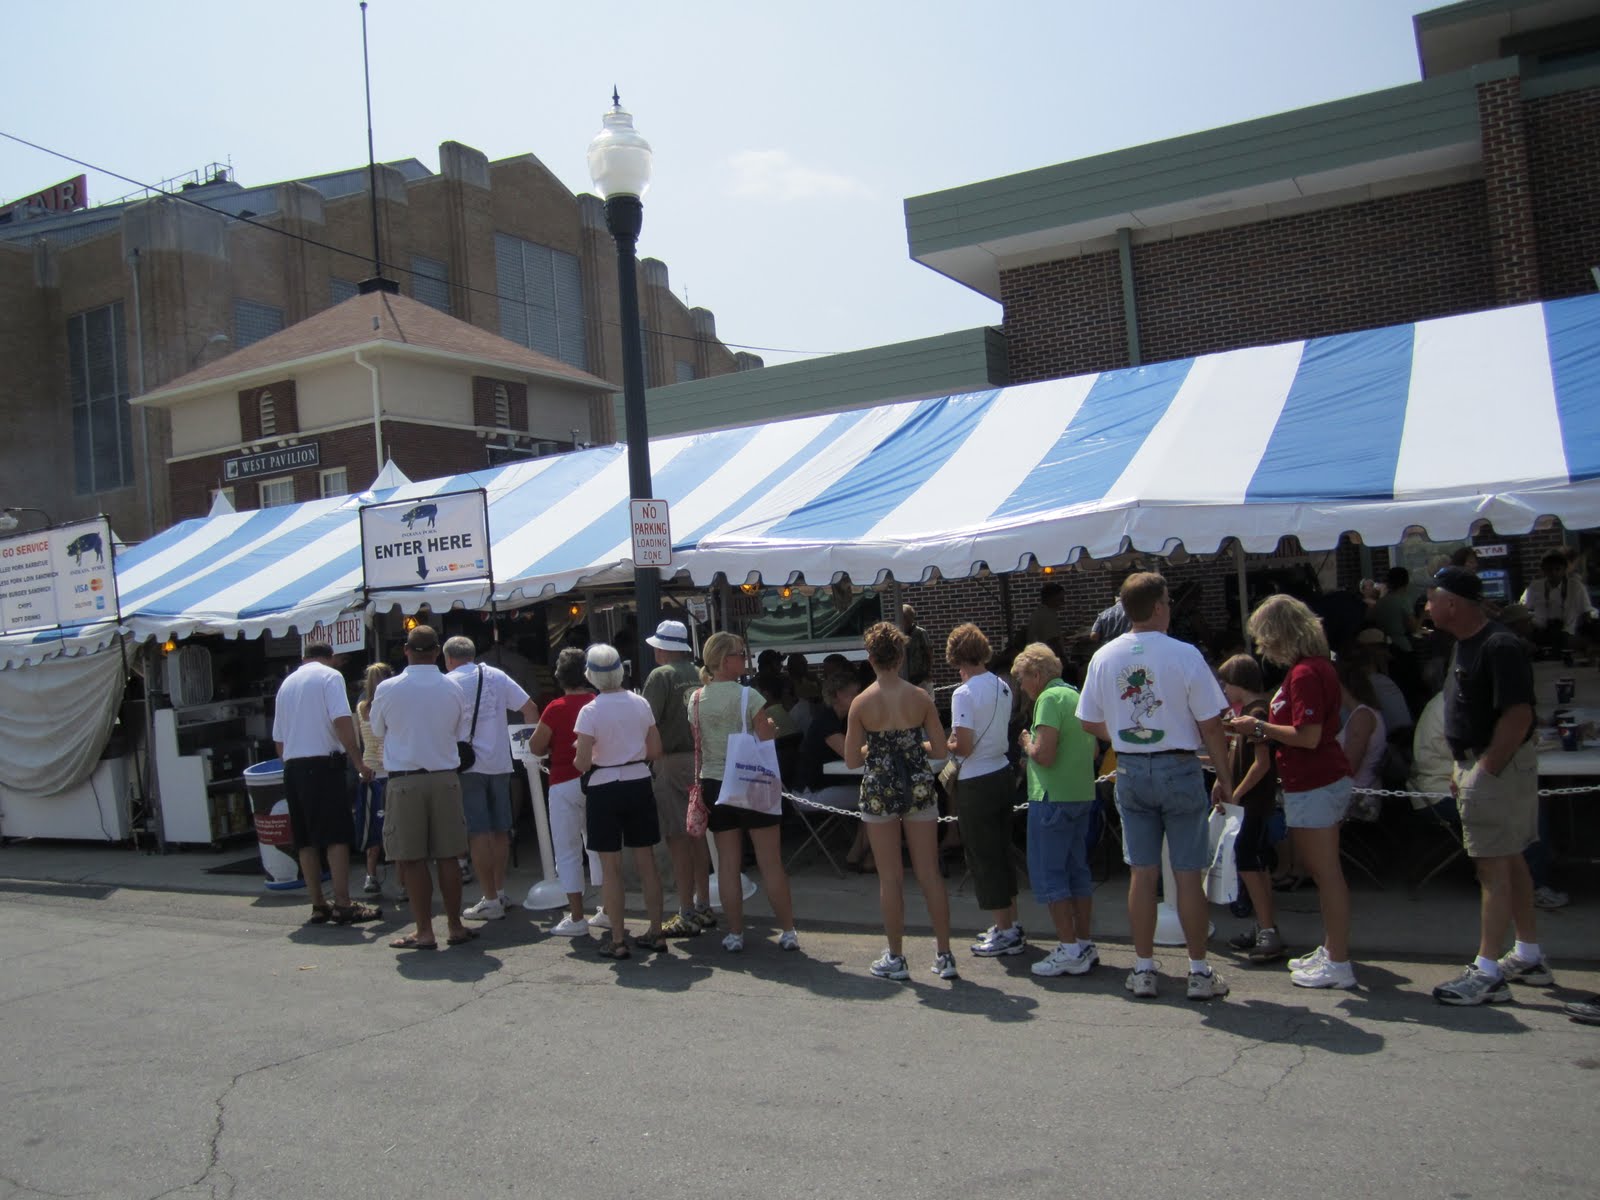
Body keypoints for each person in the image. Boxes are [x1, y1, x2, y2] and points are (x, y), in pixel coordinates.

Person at [1077, 572, 1234, 1001]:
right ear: (1161, 606)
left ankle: (1144, 967)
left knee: (1142, 874)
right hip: (1179, 765)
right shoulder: (1185, 654)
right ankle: (1198, 970)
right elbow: (1212, 725)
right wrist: (1224, 776)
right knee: (1187, 874)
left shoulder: (1105, 656)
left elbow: (1088, 719)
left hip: (1130, 767)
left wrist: (1125, 734)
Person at [1425, 566, 1557, 1005]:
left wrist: (1484, 769)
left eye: (1432, 599)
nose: (1426, 607)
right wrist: (1461, 766)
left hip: (1495, 768)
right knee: (1510, 859)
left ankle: (1487, 971)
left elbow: (1518, 714)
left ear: (1452, 604)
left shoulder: (1499, 644)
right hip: (1477, 764)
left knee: (1492, 868)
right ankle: (1529, 953)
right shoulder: (1466, 644)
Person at [1230, 594, 1357, 989]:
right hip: (1313, 781)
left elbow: (1308, 736)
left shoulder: (1305, 673)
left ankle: (1338, 960)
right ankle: (1331, 948)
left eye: (1265, 638)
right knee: (1323, 872)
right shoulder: (1314, 668)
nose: (1263, 648)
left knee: (1326, 873)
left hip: (1315, 780)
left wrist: (1257, 729)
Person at [844, 621, 956, 981]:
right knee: (929, 874)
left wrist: (877, 748)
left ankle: (896, 956)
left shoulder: (861, 703)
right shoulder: (920, 697)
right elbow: (941, 749)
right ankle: (944, 954)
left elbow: (851, 760)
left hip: (879, 789)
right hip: (919, 787)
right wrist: (912, 746)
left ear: (870, 658)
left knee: (889, 877)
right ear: (902, 655)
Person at [369, 624, 475, 950]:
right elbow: (461, 731)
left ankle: (424, 930)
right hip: (444, 775)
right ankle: (455, 926)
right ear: (436, 652)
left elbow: (376, 729)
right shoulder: (452, 687)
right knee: (449, 856)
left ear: (406, 650)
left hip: (405, 779)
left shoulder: (388, 688)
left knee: (412, 858)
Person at [693, 631, 800, 953]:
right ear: (726, 660)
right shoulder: (748, 696)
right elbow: (766, 736)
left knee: (727, 862)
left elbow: (698, 739)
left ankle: (735, 932)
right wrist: (770, 729)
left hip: (713, 781)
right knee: (770, 860)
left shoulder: (696, 698)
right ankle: (788, 929)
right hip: (750, 778)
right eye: (741, 654)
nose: (745, 659)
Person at [272, 643, 380, 927]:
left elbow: (279, 740)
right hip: (323, 764)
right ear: (330, 657)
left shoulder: (287, 684)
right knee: (336, 835)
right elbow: (342, 720)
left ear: (303, 657)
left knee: (306, 839)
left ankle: (318, 903)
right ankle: (343, 903)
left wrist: (292, 762)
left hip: (293, 766)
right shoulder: (330, 677)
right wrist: (357, 761)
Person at [573, 643, 666, 959]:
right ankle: (656, 930)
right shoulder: (640, 704)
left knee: (610, 867)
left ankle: (617, 938)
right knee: (647, 862)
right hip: (638, 780)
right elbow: (655, 750)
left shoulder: (590, 710)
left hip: (604, 785)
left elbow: (582, 762)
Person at [1012, 642, 1099, 977]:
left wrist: (1026, 743)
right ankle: (1083, 941)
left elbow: (1044, 754)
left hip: (1051, 797)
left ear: (1036, 674)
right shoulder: (1075, 695)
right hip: (1080, 794)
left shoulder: (1048, 699)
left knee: (1051, 875)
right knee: (1077, 871)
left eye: (1022, 678)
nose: (1021, 685)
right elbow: (1092, 753)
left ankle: (1068, 947)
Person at [445, 636, 539, 922]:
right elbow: (530, 708)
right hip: (500, 762)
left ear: (448, 658)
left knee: (478, 833)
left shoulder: (448, 683)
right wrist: (527, 749)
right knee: (500, 831)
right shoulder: (495, 675)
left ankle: (489, 898)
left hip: (467, 766)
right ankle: (498, 891)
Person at [944, 623, 1022, 959]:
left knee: (982, 855)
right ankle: (1010, 922)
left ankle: (1004, 930)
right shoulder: (1003, 685)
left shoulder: (963, 693)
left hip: (977, 779)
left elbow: (962, 744)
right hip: (1002, 771)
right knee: (1002, 851)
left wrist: (946, 741)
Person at [641, 619, 712, 938]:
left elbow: (646, 722)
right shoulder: (700, 672)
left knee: (677, 835)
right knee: (698, 833)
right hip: (702, 759)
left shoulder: (660, 676)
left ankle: (685, 909)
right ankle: (703, 904)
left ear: (663, 648)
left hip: (671, 761)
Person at [527, 648, 601, 937]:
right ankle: (607, 909)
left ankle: (577, 915)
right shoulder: (597, 703)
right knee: (600, 847)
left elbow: (535, 746)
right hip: (597, 779)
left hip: (563, 781)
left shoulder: (555, 708)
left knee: (568, 850)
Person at [1217, 653, 1284, 964]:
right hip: (1246, 803)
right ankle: (1262, 927)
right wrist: (1221, 777)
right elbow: (1236, 755)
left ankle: (1268, 930)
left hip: (1253, 805)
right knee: (1252, 864)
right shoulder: (1243, 714)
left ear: (1239, 684)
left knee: (1250, 864)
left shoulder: (1258, 713)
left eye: (1227, 684)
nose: (1224, 690)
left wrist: (1237, 793)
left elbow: (1261, 763)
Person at [353, 662, 393, 897]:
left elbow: (360, 737)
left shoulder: (360, 708)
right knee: (395, 828)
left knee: (372, 827)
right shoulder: (389, 705)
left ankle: (371, 875)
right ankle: (402, 883)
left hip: (369, 769)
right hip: (391, 769)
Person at [1335, 649, 1389, 822]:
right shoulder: (1364, 713)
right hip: (1356, 791)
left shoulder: (1362, 716)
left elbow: (1349, 767)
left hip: (1356, 798)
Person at [1521, 550, 1597, 653]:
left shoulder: (1575, 586)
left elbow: (1586, 613)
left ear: (1564, 570)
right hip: (1540, 631)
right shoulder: (1535, 586)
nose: (1553, 573)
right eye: (1549, 570)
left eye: (1557, 569)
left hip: (1568, 632)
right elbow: (1526, 610)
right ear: (1543, 570)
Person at [900, 605, 933, 689]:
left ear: (911, 618)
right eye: (903, 617)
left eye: (906, 617)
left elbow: (928, 653)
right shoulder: (899, 634)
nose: (904, 620)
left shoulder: (920, 633)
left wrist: (928, 672)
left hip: (920, 678)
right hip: (904, 678)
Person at [1028, 582, 1066, 652]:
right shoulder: (1047, 615)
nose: (1063, 602)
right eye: (1060, 599)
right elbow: (1052, 641)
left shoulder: (1038, 613)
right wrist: (1062, 659)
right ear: (1050, 598)